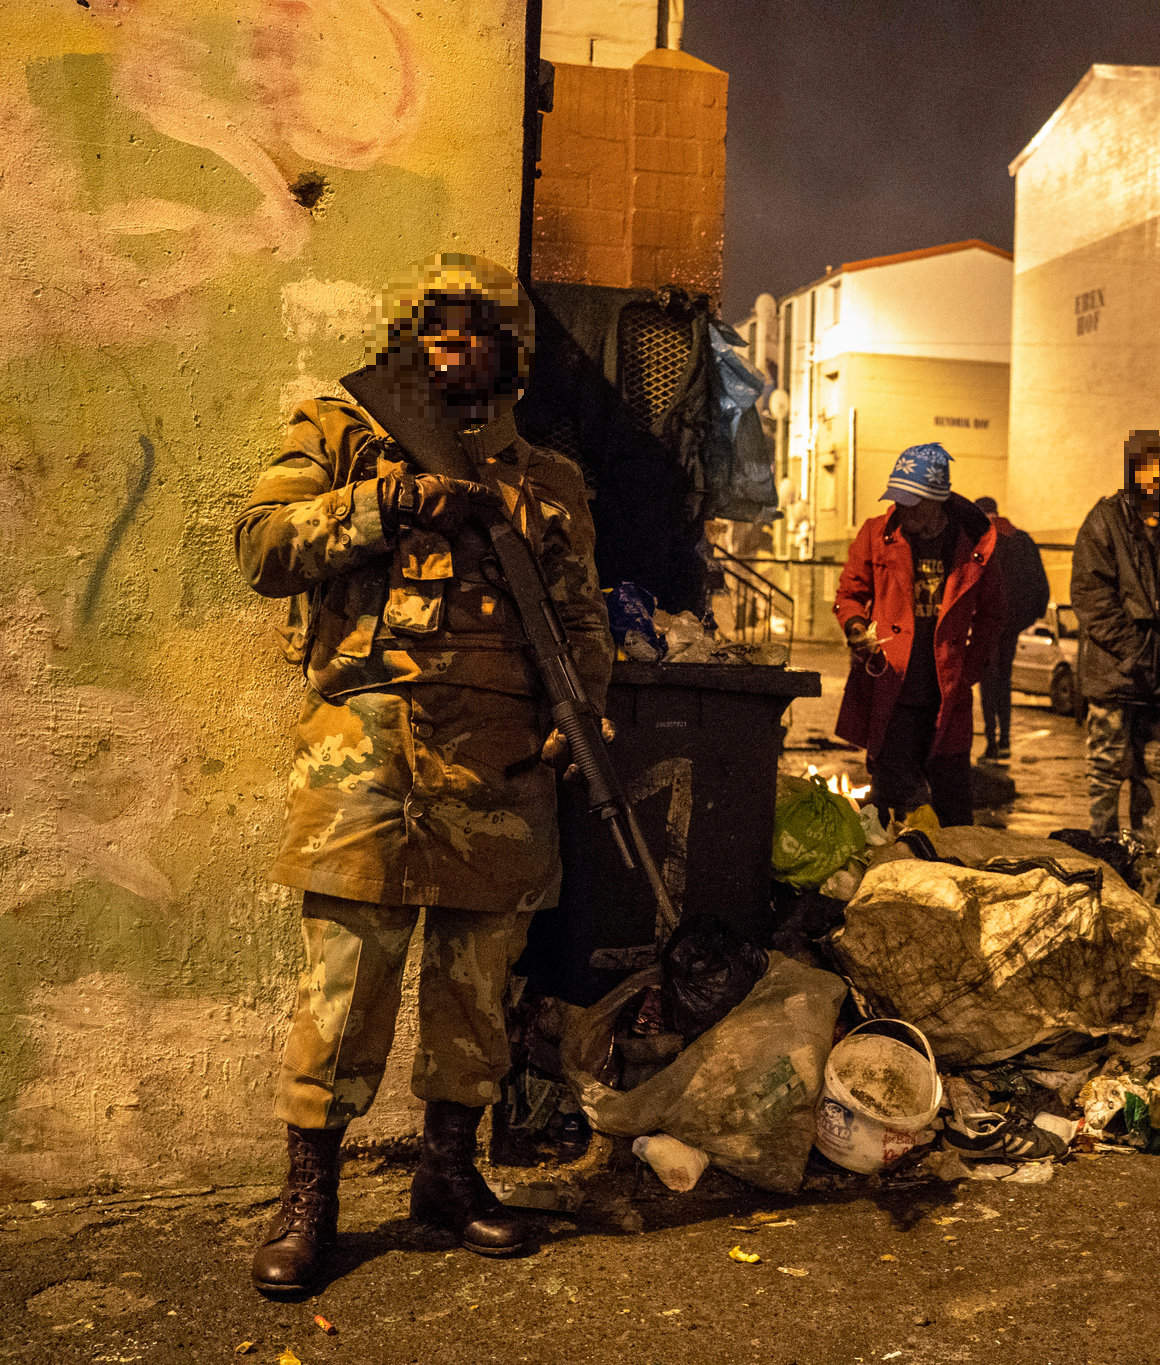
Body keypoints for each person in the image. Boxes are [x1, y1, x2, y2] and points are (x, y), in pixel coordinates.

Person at [234, 255, 612, 1293]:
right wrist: (383, 505)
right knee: (343, 993)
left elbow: (580, 617)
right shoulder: (341, 433)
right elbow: (261, 548)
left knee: (475, 996)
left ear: (512, 351)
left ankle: (447, 1177)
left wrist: (575, 715)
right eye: (435, 327)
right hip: (370, 761)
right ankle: (310, 1198)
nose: (454, 344)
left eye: (476, 328)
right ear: (407, 339)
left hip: (497, 772)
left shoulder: (546, 480)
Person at [834, 443, 1004, 826]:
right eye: (898, 498)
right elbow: (850, 592)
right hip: (891, 695)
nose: (901, 509)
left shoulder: (973, 545)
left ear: (937, 501)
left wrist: (968, 671)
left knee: (953, 813)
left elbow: (993, 615)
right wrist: (855, 626)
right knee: (886, 809)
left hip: (946, 700)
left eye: (911, 501)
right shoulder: (877, 534)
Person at [1069, 430, 1160, 840]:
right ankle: (1105, 848)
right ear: (1132, 476)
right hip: (1117, 673)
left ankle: (1144, 855)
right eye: (1147, 475)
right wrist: (1136, 650)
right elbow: (1091, 597)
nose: (1156, 484)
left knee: (1154, 772)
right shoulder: (1105, 522)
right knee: (1106, 770)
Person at [972, 495, 1050, 763]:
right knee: (1003, 681)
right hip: (1012, 624)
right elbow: (1040, 586)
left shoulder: (982, 539)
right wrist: (1023, 620)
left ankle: (992, 741)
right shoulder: (1022, 539)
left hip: (987, 624)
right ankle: (1004, 739)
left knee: (987, 682)